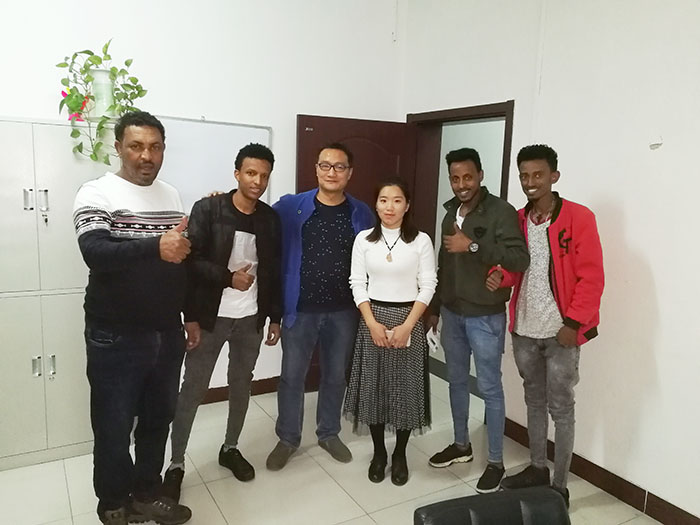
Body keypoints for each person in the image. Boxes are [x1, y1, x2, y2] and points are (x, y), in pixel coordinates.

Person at [72, 111, 197, 525]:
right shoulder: (97, 192)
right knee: (113, 426)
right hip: (116, 335)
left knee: (157, 421)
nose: (147, 155)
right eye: (136, 146)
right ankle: (112, 503)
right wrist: (154, 246)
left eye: (155, 147)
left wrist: (189, 316)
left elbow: (178, 260)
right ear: (119, 148)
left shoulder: (171, 195)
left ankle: (146, 494)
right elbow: (96, 252)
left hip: (165, 332)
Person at [160, 144, 282, 502]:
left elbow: (273, 269)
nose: (257, 181)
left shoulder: (269, 219)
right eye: (251, 173)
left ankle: (230, 448)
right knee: (193, 389)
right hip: (210, 317)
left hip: (251, 319)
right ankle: (176, 464)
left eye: (264, 175)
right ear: (237, 174)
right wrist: (222, 285)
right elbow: (190, 260)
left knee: (241, 385)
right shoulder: (209, 209)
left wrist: (275, 316)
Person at [495, 144, 604, 508]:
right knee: (534, 401)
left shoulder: (578, 218)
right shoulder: (518, 220)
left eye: (538, 174)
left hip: (561, 333)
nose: (530, 182)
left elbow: (591, 277)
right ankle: (538, 468)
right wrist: (500, 276)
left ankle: (560, 486)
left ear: (554, 176)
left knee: (562, 407)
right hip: (525, 329)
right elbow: (516, 267)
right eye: (524, 175)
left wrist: (573, 323)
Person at [266, 142, 374, 470]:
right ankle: (288, 438)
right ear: (316, 169)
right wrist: (222, 202)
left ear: (349, 173)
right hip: (300, 309)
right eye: (325, 165)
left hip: (344, 311)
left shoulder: (361, 212)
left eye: (339, 166)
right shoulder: (291, 206)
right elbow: (255, 217)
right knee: (292, 377)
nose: (331, 172)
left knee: (335, 376)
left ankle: (329, 433)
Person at [427, 147, 529, 493]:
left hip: (485, 316)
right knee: (456, 381)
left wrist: (472, 246)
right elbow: (443, 264)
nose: (461, 184)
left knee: (489, 388)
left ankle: (496, 462)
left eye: (468, 177)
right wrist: (435, 308)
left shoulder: (501, 211)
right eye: (455, 178)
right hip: (452, 314)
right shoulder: (449, 213)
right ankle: (461, 445)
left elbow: (519, 258)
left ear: (480, 175)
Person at [343, 177, 436, 485]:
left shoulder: (420, 241)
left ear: (407, 206)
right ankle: (379, 453)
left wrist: (408, 325)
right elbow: (357, 283)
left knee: (405, 390)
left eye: (397, 200)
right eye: (384, 200)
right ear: (376, 204)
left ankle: (400, 454)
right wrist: (371, 323)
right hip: (373, 319)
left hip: (409, 318)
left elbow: (428, 284)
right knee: (374, 389)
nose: (389, 207)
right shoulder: (364, 240)